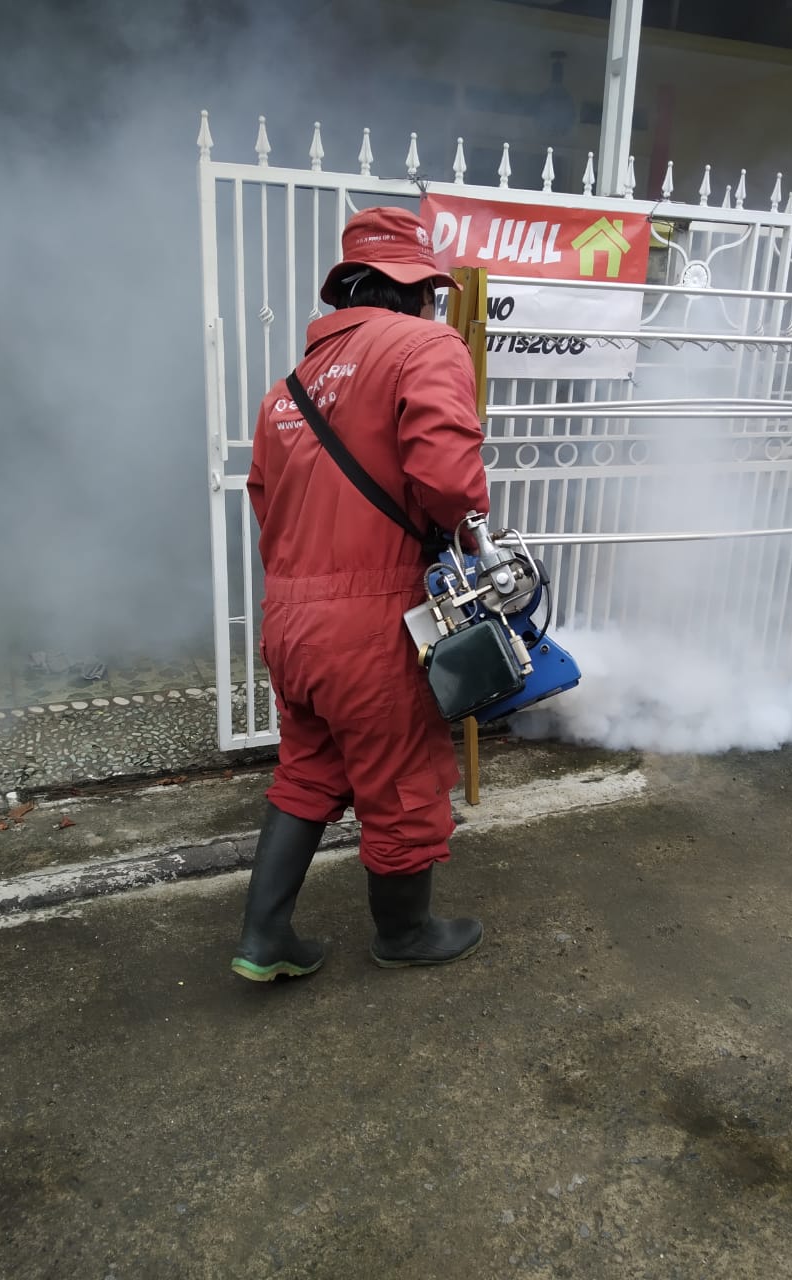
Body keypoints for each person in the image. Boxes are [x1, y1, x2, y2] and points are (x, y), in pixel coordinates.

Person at [232, 206, 491, 983]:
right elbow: (449, 482)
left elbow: (264, 501)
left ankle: (262, 937)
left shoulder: (288, 387)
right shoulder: (425, 345)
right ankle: (405, 933)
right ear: (416, 291)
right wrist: (462, 532)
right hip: (373, 620)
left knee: (309, 767)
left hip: (291, 619)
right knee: (405, 777)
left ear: (349, 287)